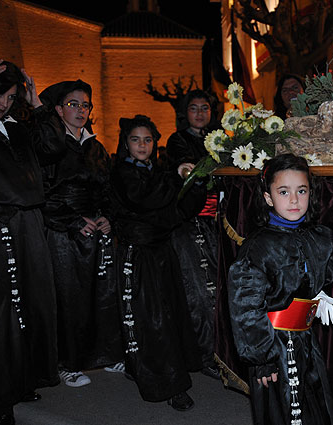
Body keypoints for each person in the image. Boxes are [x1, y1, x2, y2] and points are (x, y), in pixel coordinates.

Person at [227, 154, 333, 425]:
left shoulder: (316, 236)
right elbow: (245, 305)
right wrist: (261, 358)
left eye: (302, 191)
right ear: (268, 198)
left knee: (316, 407)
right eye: (283, 192)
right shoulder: (258, 246)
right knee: (285, 412)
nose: (295, 200)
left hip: (306, 340)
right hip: (273, 347)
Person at [0, 56, 62, 425]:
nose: (3, 103)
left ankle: (23, 379)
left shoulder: (18, 128)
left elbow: (53, 148)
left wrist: (37, 105)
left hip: (27, 223)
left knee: (32, 306)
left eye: (9, 96)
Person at [110, 114, 206, 411]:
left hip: (162, 253)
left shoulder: (156, 171)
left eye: (148, 139)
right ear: (126, 143)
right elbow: (146, 199)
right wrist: (177, 177)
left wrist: (196, 183)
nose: (142, 145)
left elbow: (178, 208)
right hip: (138, 255)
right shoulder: (123, 172)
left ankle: (148, 366)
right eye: (136, 139)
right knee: (153, 321)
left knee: (170, 315)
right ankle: (170, 385)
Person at [37, 80, 124, 387]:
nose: (80, 110)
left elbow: (109, 190)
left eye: (85, 105)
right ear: (58, 109)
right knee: (68, 296)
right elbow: (41, 193)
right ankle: (67, 363)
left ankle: (106, 355)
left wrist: (107, 217)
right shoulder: (49, 147)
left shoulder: (95, 146)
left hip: (96, 230)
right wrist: (73, 221)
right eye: (73, 104)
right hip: (63, 231)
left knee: (102, 293)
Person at [165, 90, 222, 379]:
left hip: (219, 222)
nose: (200, 113)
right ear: (184, 112)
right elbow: (186, 169)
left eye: (205, 108)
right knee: (199, 290)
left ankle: (223, 351)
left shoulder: (224, 138)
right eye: (193, 108)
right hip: (192, 222)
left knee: (221, 285)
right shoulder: (178, 140)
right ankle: (205, 353)